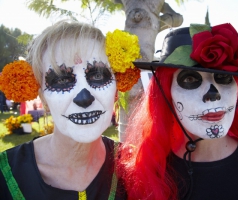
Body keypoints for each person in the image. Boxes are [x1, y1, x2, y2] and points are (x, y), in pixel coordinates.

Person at [118, 23, 238, 199]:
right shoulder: (146, 174)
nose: (212, 94)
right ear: (166, 92)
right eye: (190, 79)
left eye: (223, 77)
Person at [0, 20, 140, 199]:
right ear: (42, 96)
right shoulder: (6, 175)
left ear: (116, 88)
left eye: (97, 75)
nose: (84, 97)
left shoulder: (134, 166)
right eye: (61, 80)